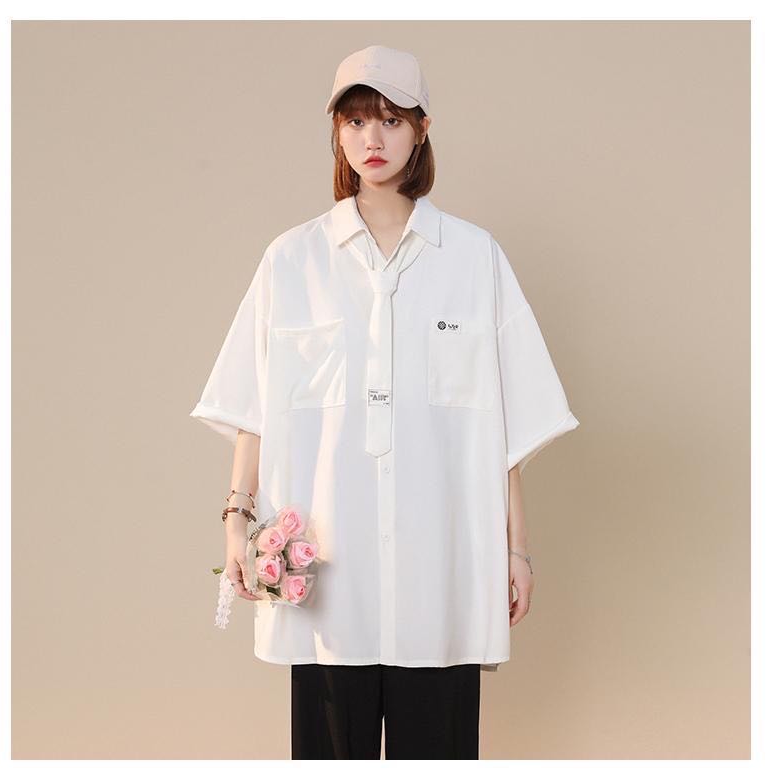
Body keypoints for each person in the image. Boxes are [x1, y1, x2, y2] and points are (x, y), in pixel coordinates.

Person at [190, 44, 580, 760]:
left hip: (443, 565)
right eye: (356, 121)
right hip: (328, 572)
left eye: (392, 120)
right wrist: (235, 525)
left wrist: (516, 549)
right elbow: (252, 406)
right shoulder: (292, 260)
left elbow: (508, 423)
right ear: (337, 133)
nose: (373, 138)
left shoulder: (474, 259)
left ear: (422, 129)